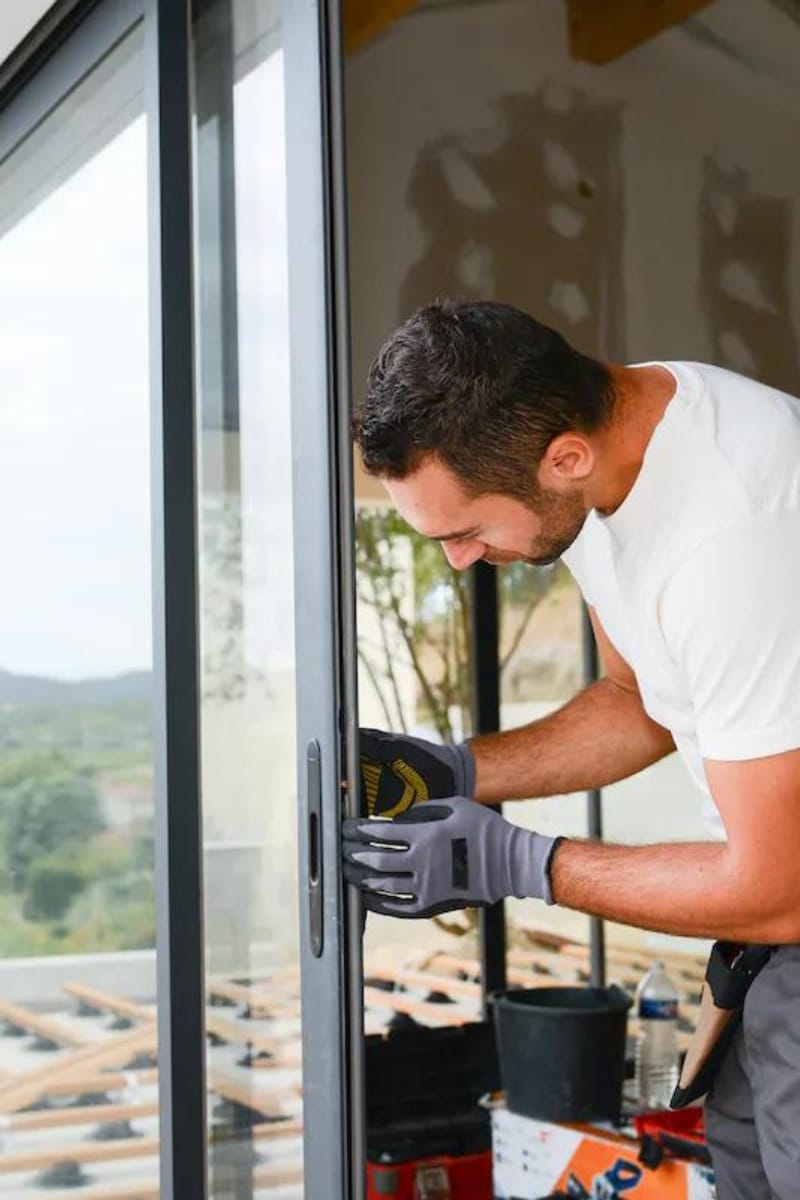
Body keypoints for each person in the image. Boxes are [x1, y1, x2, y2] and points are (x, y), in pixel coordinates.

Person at [342, 298, 800, 1199]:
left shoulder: (737, 535)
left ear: (563, 457)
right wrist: (458, 769)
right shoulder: (607, 454)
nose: (460, 563)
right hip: (764, 948)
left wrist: (520, 862)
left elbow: (782, 889)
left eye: (465, 531)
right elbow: (642, 701)